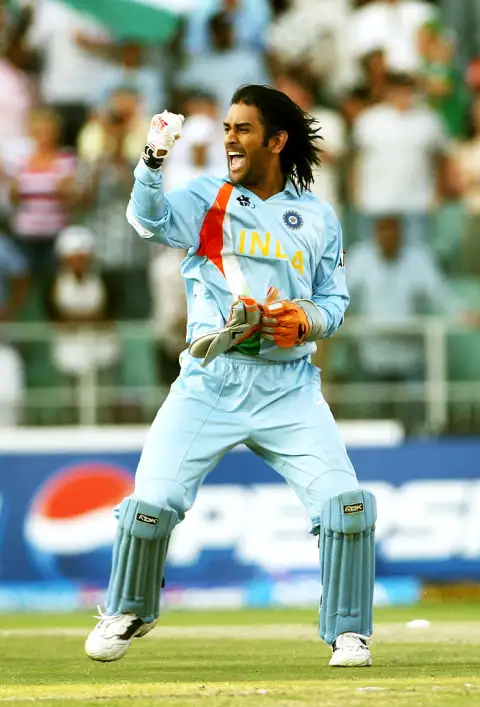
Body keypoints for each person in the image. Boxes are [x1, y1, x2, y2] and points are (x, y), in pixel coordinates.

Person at [83, 86, 376, 669]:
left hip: (289, 388)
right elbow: (147, 223)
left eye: (242, 129)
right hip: (210, 381)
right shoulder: (206, 197)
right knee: (151, 504)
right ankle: (128, 609)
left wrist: (305, 322)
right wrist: (151, 162)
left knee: (346, 505)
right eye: (226, 128)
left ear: (276, 140)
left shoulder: (318, 216)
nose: (229, 140)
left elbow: (333, 303)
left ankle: (349, 632)